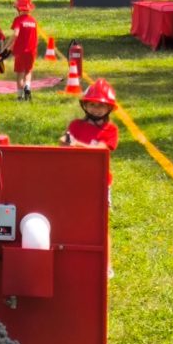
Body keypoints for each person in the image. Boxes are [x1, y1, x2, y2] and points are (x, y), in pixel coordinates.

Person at [60, 78, 120, 277]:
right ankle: (75, 259)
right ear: (85, 105)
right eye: (92, 104)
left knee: (100, 225)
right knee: (74, 221)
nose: (96, 109)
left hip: (99, 183)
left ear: (109, 108)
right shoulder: (75, 125)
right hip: (75, 181)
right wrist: (65, 142)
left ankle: (106, 265)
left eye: (101, 106)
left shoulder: (110, 131)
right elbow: (65, 146)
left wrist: (76, 144)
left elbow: (100, 151)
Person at [10, 0, 39, 101]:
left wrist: (8, 46)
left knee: (20, 73)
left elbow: (16, 34)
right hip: (31, 51)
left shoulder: (18, 20)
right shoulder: (33, 21)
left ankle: (20, 96)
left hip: (20, 51)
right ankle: (27, 85)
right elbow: (36, 37)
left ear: (18, 8)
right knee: (28, 71)